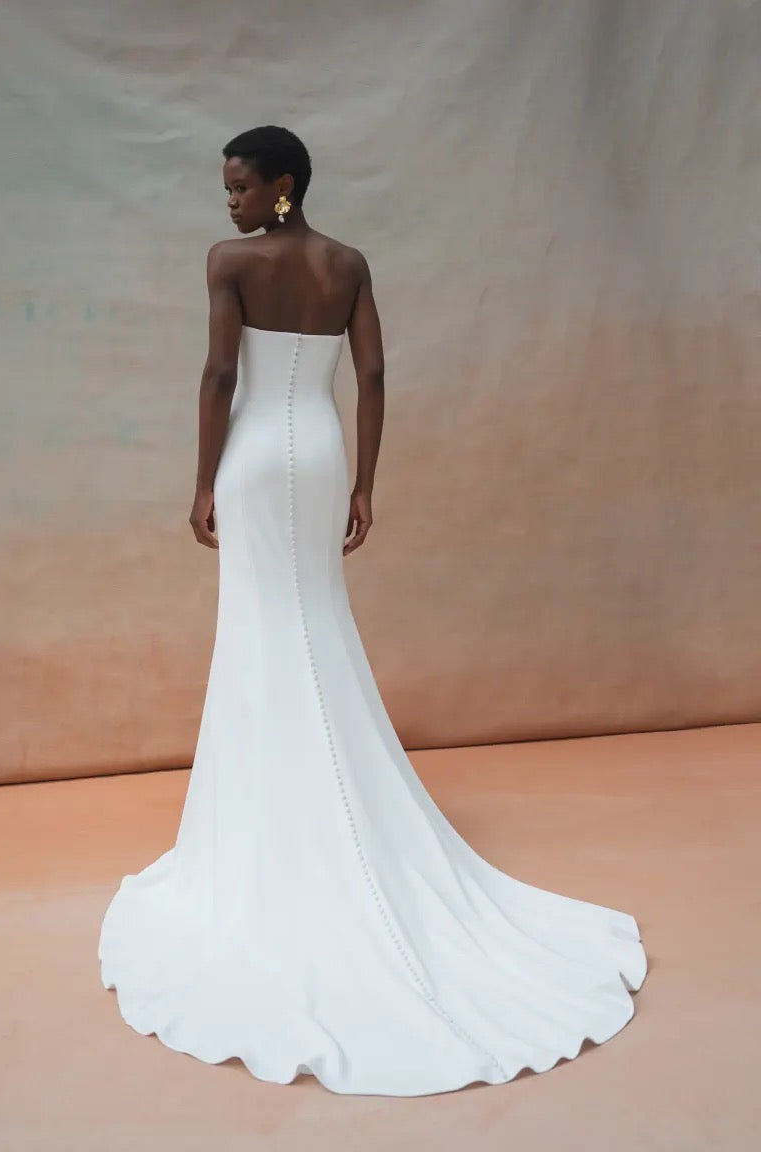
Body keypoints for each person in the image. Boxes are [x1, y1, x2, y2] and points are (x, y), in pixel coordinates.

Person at [98, 125, 647, 1098]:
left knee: (269, 638)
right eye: (223, 187)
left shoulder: (231, 263)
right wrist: (365, 485)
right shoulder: (347, 264)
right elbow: (377, 375)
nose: (225, 202)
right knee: (311, 633)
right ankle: (316, 809)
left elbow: (221, 378)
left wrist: (200, 483)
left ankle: (278, 830)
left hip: (261, 460)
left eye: (238, 186)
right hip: (321, 451)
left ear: (283, 186)